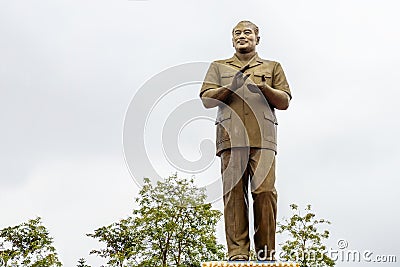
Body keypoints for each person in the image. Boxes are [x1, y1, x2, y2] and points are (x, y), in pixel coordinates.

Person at [199, 20, 292, 261]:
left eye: (247, 33)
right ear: (232, 40)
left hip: (263, 137)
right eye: (237, 33)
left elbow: (284, 101)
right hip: (230, 137)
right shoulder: (219, 67)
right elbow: (207, 99)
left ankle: (266, 254)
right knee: (234, 194)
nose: (242, 36)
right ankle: (238, 253)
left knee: (265, 191)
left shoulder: (273, 67)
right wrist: (232, 87)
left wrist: (265, 89)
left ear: (257, 39)